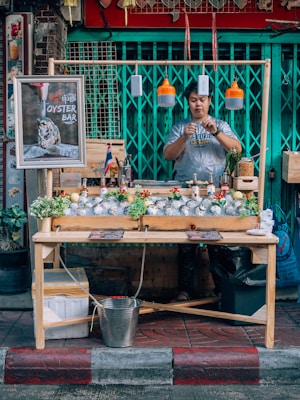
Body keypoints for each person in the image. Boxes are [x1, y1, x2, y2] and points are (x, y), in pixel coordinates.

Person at [163, 81, 242, 301]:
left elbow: (237, 149)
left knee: (216, 242)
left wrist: (215, 132)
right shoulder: (180, 127)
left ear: (210, 101)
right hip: (186, 194)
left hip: (215, 193)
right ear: (188, 102)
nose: (198, 104)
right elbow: (168, 155)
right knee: (185, 244)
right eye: (194, 100)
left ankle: (220, 290)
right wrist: (184, 137)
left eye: (203, 99)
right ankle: (184, 291)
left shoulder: (220, 124)